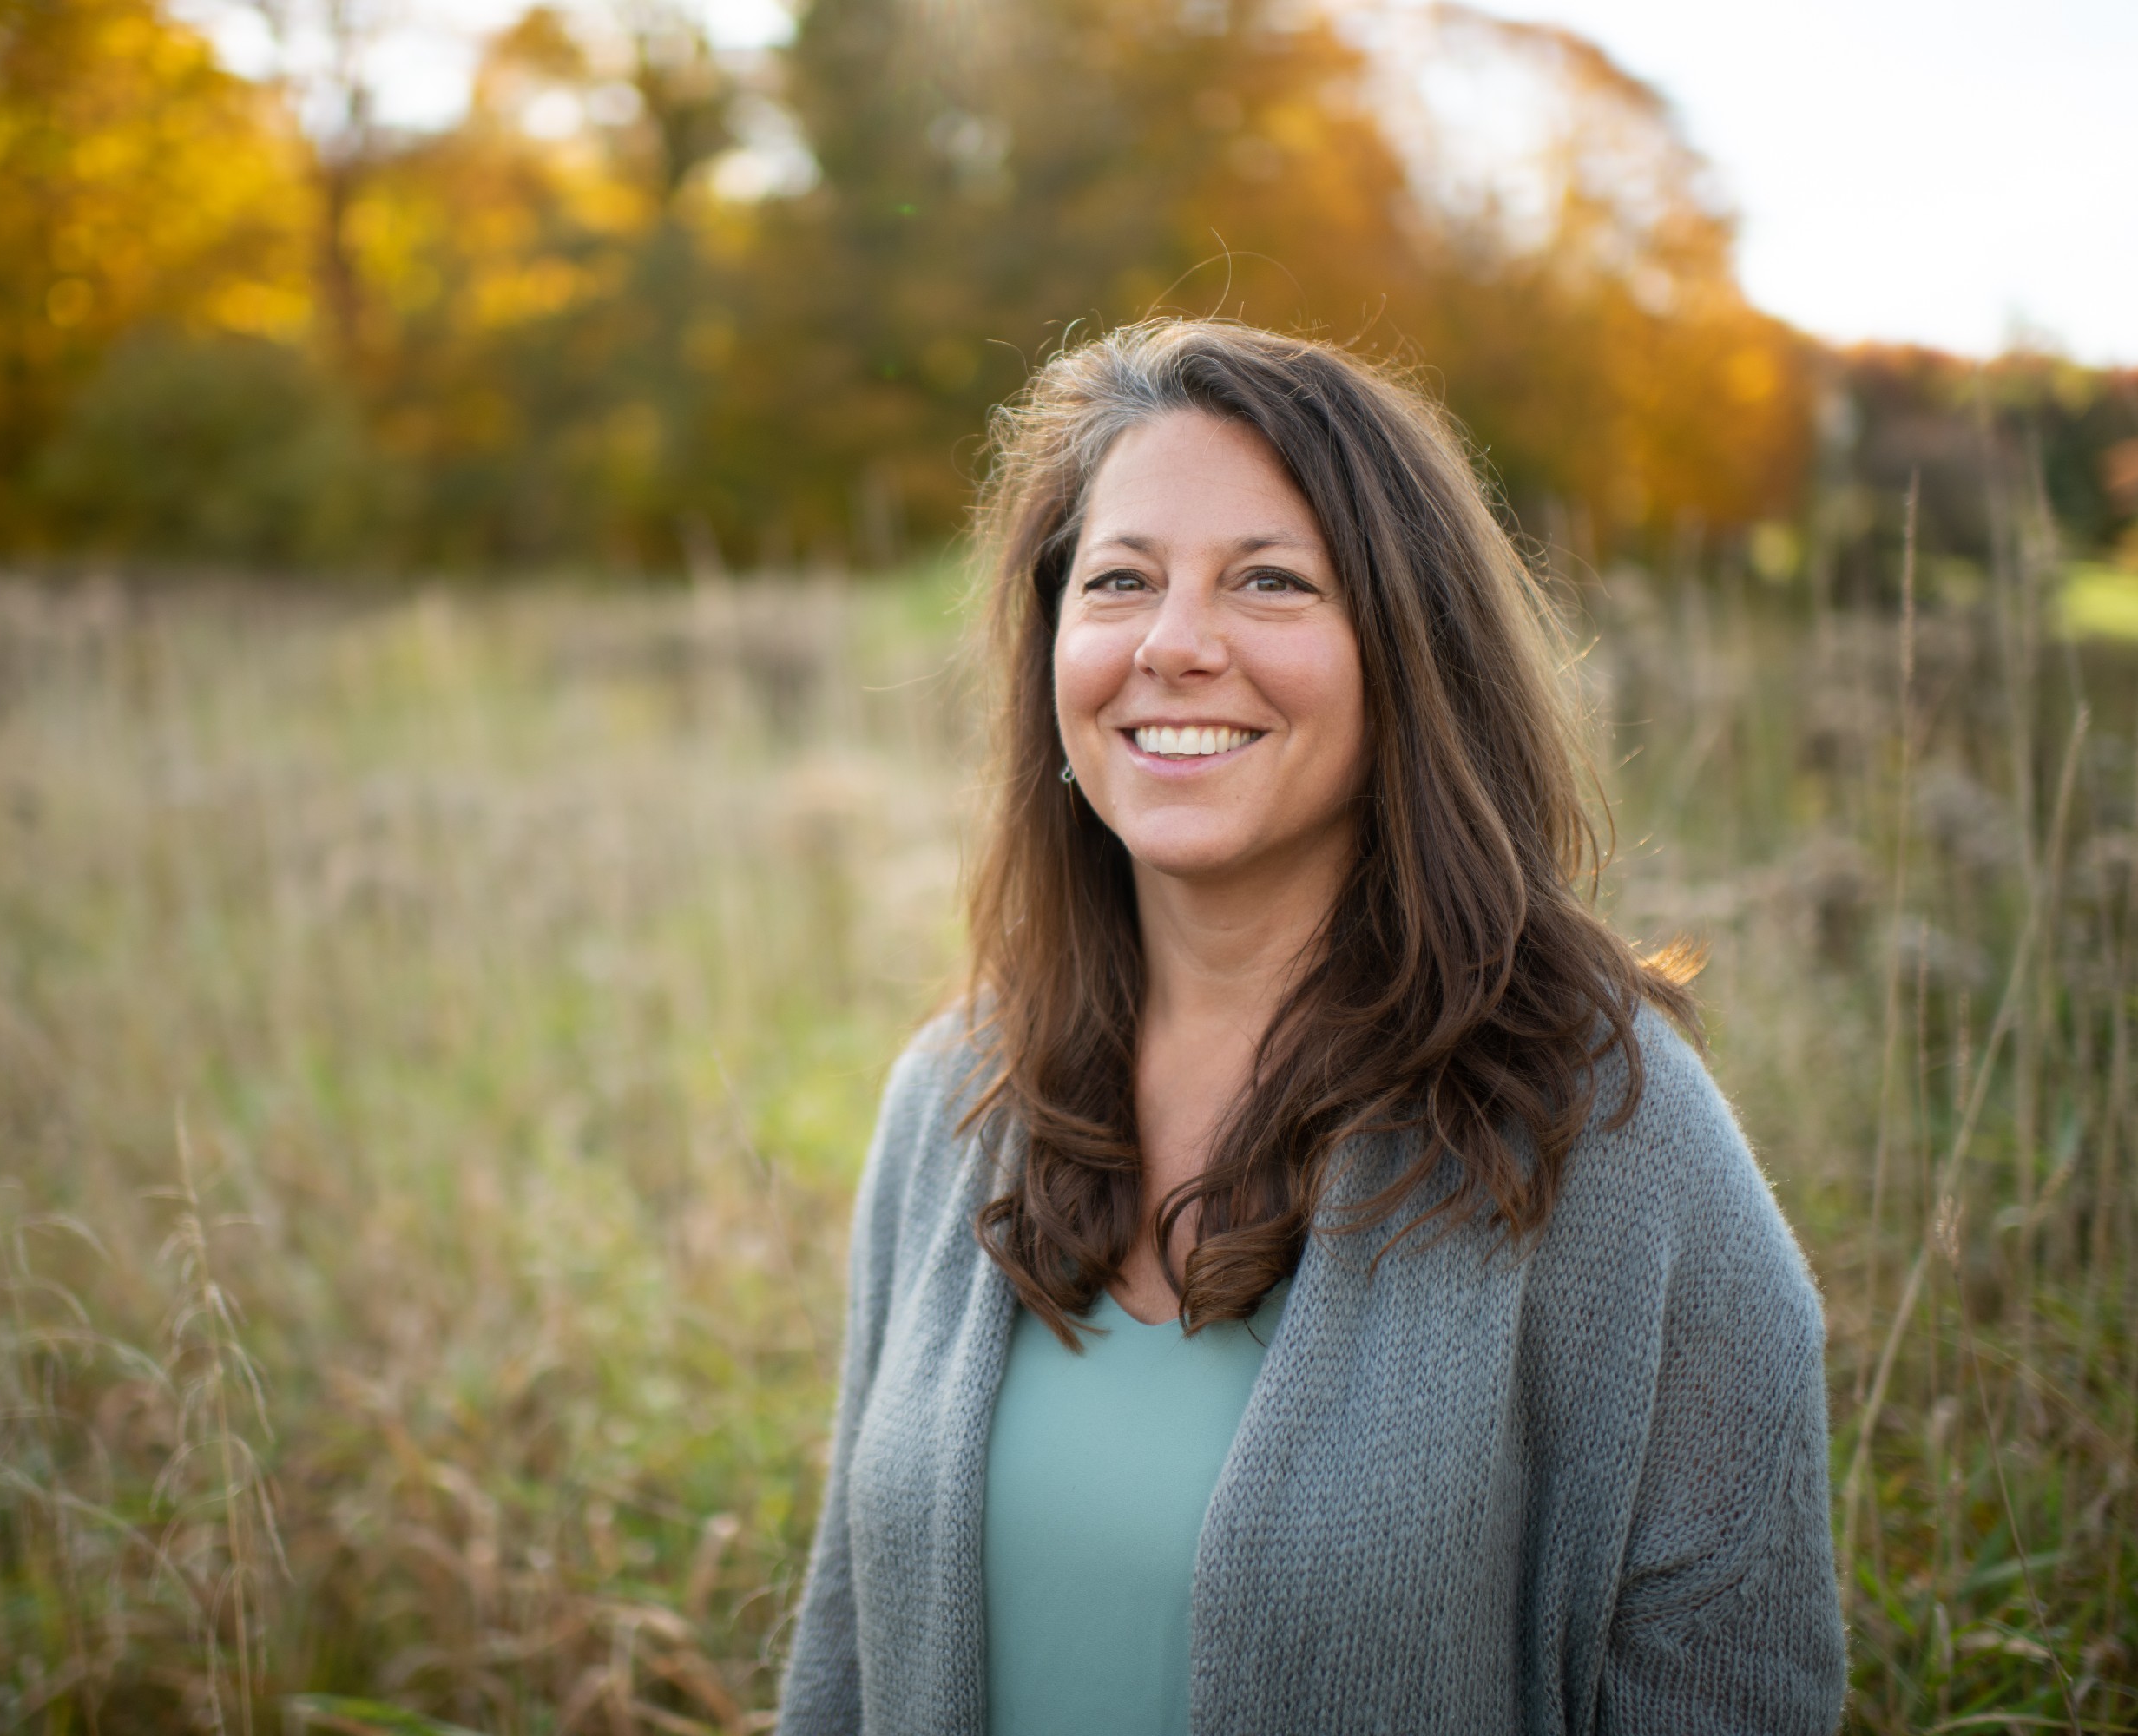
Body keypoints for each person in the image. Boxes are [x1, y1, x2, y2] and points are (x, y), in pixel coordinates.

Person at [776, 319, 1845, 1735]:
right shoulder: (957, 1098)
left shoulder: (1602, 1125)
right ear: (1055, 648)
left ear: (1408, 657)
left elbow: (1731, 1687)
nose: (1174, 645)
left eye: (1270, 581)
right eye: (1120, 582)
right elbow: (846, 1654)